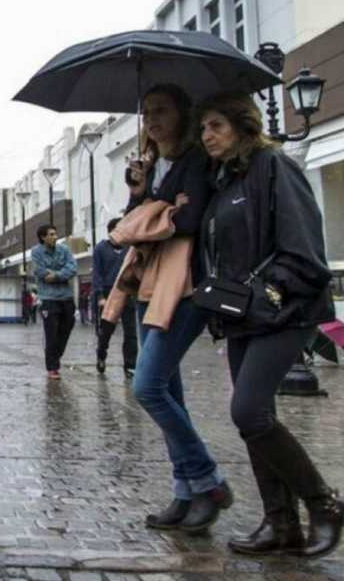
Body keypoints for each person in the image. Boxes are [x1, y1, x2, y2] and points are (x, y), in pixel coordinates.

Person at [198, 93, 341, 558]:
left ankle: (323, 504)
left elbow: (303, 246)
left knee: (249, 411)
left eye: (215, 125)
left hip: (286, 311)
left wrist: (270, 291)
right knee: (257, 420)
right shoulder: (222, 182)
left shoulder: (273, 167)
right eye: (202, 128)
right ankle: (281, 523)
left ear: (242, 126)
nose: (207, 136)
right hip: (244, 317)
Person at [123, 84, 230, 534]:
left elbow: (187, 222)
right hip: (151, 283)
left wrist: (156, 215)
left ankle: (208, 481)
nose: (153, 120)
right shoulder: (154, 169)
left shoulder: (194, 162)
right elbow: (130, 226)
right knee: (171, 391)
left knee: (146, 387)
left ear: (182, 114)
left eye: (161, 111)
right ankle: (185, 492)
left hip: (187, 285)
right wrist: (145, 196)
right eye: (147, 112)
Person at [31, 225, 77, 379]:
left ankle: (55, 356)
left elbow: (73, 268)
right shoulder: (36, 252)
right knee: (51, 333)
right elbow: (40, 272)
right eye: (51, 234)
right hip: (48, 298)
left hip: (66, 297)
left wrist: (56, 275)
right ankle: (52, 367)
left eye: (55, 234)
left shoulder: (64, 250)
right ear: (43, 237)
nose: (55, 237)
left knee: (67, 328)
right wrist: (62, 273)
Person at [93, 217, 137, 377]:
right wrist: (99, 296)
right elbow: (96, 273)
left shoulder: (130, 248)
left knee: (131, 331)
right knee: (106, 330)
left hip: (127, 291)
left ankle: (130, 365)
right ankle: (101, 355)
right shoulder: (100, 249)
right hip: (108, 291)